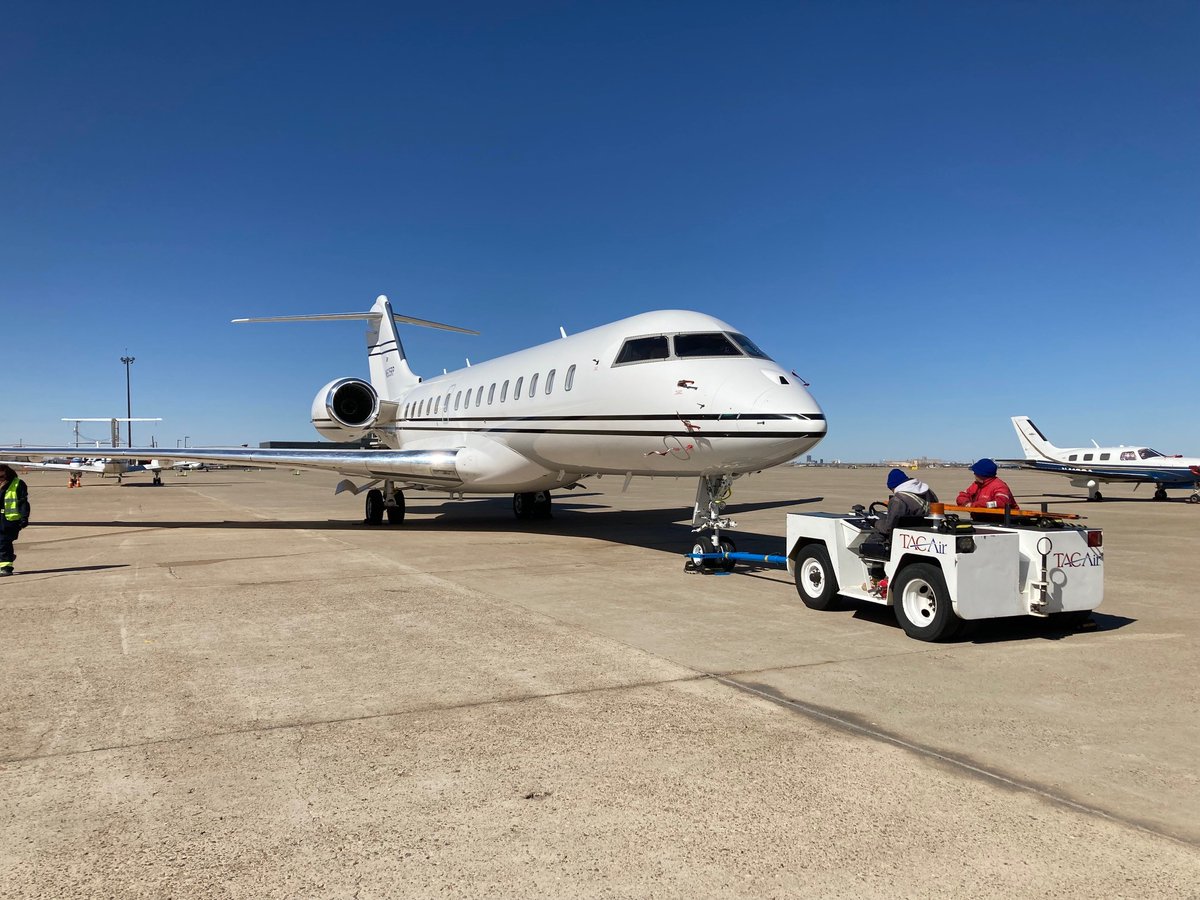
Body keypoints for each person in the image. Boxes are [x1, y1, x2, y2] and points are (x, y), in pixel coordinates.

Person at [859, 468, 939, 593]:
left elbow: (888, 528)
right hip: (925, 533)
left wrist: (874, 522)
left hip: (901, 538)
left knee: (873, 540)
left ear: (893, 486)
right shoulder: (928, 492)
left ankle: (876, 577)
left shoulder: (898, 500)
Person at [0, 464, 32, 576]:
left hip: (9, 519)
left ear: (5, 472)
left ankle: (6, 567)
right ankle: (7, 557)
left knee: (3, 542)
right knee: (3, 544)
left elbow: (23, 502)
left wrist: (24, 517)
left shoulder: (18, 484)